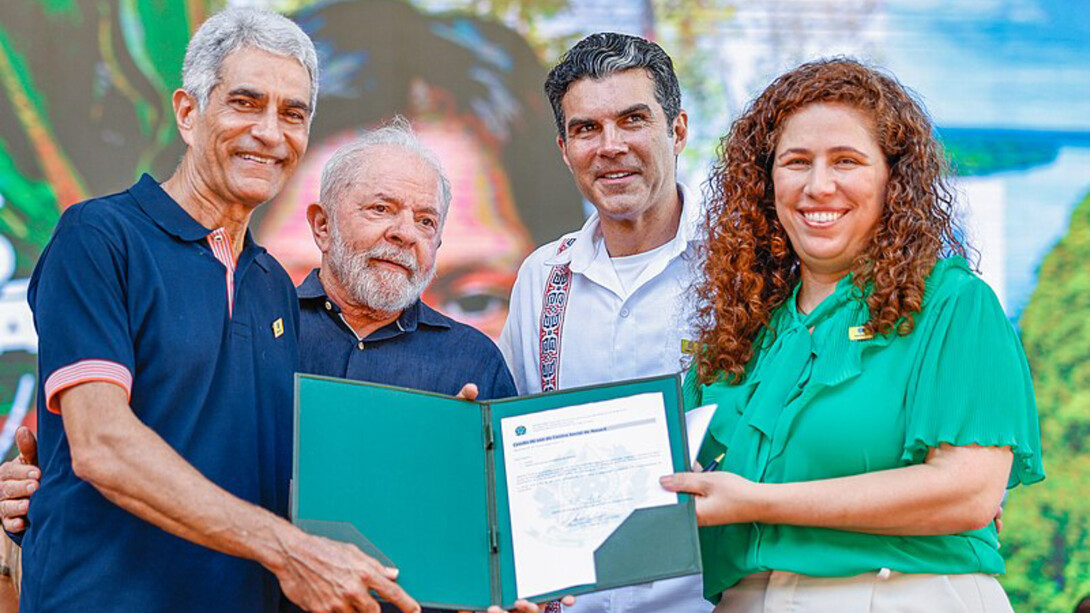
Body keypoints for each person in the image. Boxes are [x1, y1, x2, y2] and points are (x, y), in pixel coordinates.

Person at [11, 8, 420, 613]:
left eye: (293, 114)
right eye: (245, 103)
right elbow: (101, 443)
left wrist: (439, 459)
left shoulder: (272, 284)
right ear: (187, 111)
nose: (270, 133)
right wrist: (287, 551)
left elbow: (279, 475)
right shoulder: (99, 237)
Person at [658, 58, 1044, 612]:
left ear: (894, 178)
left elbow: (968, 492)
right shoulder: (741, 332)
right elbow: (669, 484)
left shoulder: (954, 304)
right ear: (766, 183)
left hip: (901, 595)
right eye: (796, 162)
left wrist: (757, 502)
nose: (819, 186)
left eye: (847, 161)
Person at [499, 32, 712, 613]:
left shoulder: (739, 270)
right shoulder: (543, 277)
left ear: (679, 130)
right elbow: (513, 439)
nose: (610, 146)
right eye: (587, 129)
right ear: (564, 149)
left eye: (633, 119)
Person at [296, 118, 516, 401]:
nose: (405, 234)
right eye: (381, 208)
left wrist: (459, 440)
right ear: (323, 225)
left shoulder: (473, 360)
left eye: (425, 221)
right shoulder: (264, 329)